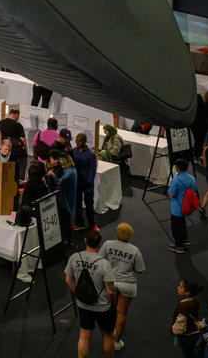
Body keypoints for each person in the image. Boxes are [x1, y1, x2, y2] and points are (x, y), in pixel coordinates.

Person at [64, 230, 117, 358]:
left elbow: (68, 280)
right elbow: (110, 291)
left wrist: (77, 293)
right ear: (99, 244)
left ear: (85, 241)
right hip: (103, 307)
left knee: (84, 336)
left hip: (83, 305)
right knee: (108, 335)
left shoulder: (74, 257)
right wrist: (113, 303)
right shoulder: (104, 264)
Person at [99, 223, 145, 351]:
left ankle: (107, 336)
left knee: (108, 309)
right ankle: (116, 341)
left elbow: (100, 261)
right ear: (130, 235)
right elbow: (140, 269)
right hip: (127, 284)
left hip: (110, 282)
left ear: (117, 233)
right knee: (121, 313)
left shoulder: (108, 244)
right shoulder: (135, 250)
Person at [47, 149, 78, 246]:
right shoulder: (72, 169)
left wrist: (53, 174)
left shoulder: (68, 173)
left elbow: (59, 182)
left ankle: (69, 239)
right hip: (69, 197)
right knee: (66, 220)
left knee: (66, 221)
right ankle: (67, 239)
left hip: (66, 200)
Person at [167, 159, 198, 253]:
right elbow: (195, 191)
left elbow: (171, 194)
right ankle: (185, 239)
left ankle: (179, 246)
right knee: (182, 223)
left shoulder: (176, 180)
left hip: (177, 208)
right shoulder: (192, 178)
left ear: (177, 168)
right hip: (188, 206)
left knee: (176, 227)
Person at [172, 279, 204, 358]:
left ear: (187, 292)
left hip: (188, 337)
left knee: (188, 355)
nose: (178, 287)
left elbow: (180, 324)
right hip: (194, 334)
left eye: (180, 286)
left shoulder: (185, 306)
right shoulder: (193, 300)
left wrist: (173, 330)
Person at [73, 132, 98, 231]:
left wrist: (89, 184)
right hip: (76, 182)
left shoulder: (90, 155)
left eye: (79, 142)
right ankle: (79, 222)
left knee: (89, 205)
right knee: (77, 204)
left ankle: (92, 224)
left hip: (87, 184)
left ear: (84, 142)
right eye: (76, 141)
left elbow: (92, 171)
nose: (77, 143)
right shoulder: (73, 151)